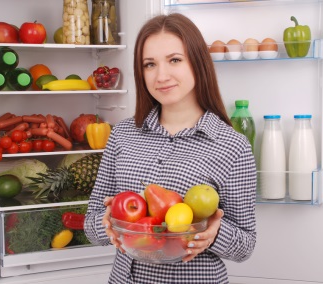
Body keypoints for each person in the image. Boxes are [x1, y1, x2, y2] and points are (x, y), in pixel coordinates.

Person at [84, 13, 257, 284]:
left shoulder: (232, 146)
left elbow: (245, 245)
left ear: (197, 63)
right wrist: (107, 223)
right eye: (149, 64)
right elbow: (91, 225)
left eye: (174, 60)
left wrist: (214, 233)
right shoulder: (123, 135)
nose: (161, 75)